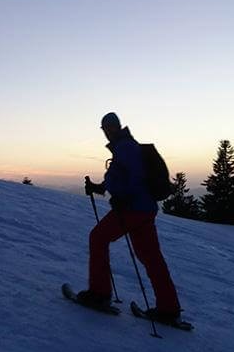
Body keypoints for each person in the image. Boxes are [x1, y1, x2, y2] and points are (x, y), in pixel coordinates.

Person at [76, 112, 182, 323]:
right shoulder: (125, 145)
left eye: (108, 128)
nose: (106, 133)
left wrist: (124, 197)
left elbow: (135, 176)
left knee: (98, 238)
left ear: (115, 127)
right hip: (144, 209)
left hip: (132, 209)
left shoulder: (125, 147)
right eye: (104, 129)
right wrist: (99, 188)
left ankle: (99, 293)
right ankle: (168, 308)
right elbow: (120, 175)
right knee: (150, 256)